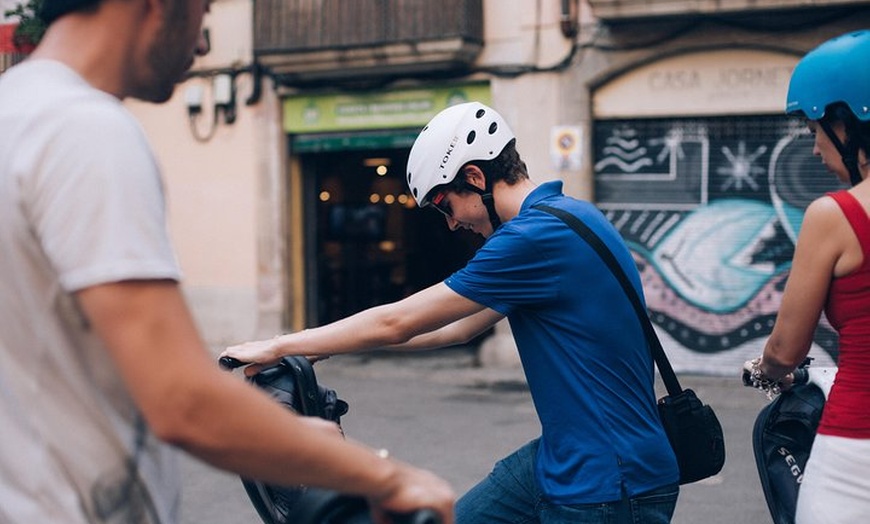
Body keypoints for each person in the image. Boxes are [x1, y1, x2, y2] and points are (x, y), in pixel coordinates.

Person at [0, 0, 455, 522]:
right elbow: (182, 400)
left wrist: (286, 434)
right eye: (204, 13)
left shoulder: (14, 112)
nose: (202, 45)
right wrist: (387, 475)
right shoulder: (85, 131)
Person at [223, 101, 681, 524]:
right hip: (567, 456)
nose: (451, 223)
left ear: (476, 178)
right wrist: (322, 350)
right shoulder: (568, 216)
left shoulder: (532, 239)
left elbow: (397, 321)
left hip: (610, 482)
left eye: (445, 204)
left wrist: (282, 343)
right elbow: (458, 328)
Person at [742, 30, 870, 524]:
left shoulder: (833, 215)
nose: (815, 148)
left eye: (816, 128)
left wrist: (767, 371)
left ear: (848, 121)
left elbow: (784, 350)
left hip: (856, 451)